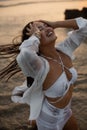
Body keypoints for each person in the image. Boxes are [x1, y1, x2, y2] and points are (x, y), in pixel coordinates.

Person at [0, 17, 87, 130]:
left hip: (66, 113)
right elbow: (25, 53)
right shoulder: (40, 65)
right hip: (48, 122)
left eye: (46, 25)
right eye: (40, 29)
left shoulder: (64, 50)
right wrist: (36, 35)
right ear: (34, 38)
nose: (47, 29)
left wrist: (55, 23)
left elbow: (84, 25)